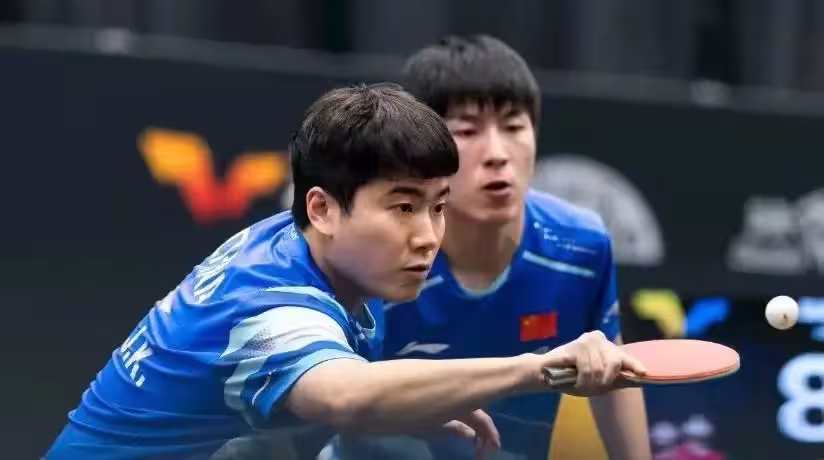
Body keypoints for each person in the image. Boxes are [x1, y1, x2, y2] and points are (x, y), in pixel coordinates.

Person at [44, 83, 646, 460]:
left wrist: (421, 406)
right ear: (323, 208)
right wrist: (539, 369)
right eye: (403, 208)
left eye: (438, 207)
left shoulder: (319, 249)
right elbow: (346, 398)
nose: (427, 235)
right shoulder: (271, 308)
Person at [333, 36, 652, 460]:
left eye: (514, 127)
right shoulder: (374, 259)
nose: (498, 154)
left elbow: (616, 379)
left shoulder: (581, 247)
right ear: (419, 149)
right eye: (467, 131)